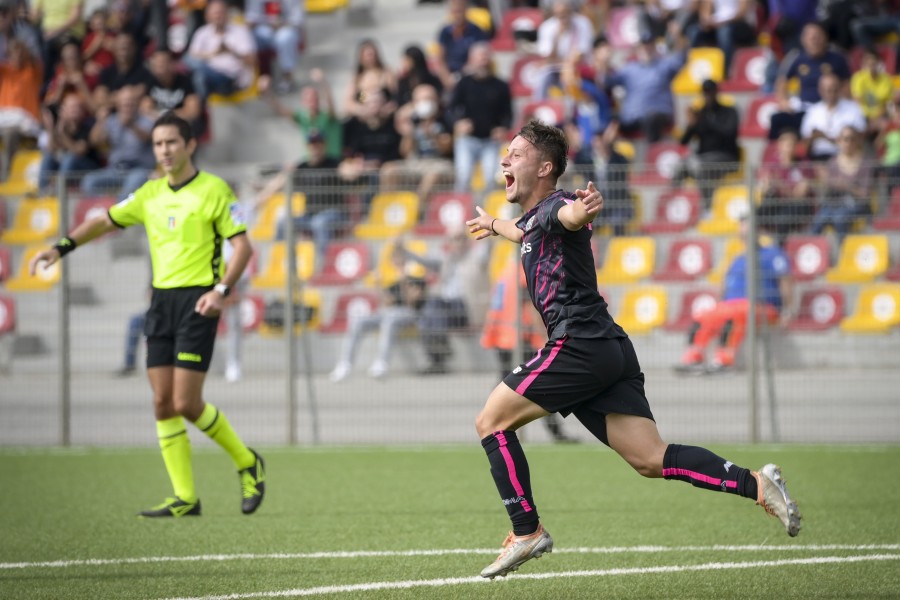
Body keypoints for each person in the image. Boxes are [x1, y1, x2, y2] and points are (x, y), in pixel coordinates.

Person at [464, 119, 801, 579]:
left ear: (545, 168)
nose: (506, 159)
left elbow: (568, 216)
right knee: (649, 458)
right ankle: (757, 484)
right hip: (608, 347)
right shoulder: (531, 222)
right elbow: (522, 231)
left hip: (579, 342)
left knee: (491, 421)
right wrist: (491, 222)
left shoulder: (557, 206)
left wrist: (585, 212)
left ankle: (526, 531)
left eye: (516, 154)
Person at [29, 112, 266, 518]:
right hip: (160, 304)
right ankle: (185, 497)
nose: (165, 150)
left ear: (190, 144)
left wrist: (221, 292)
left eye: (172, 142)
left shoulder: (215, 190)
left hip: (198, 303)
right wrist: (60, 247)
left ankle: (247, 461)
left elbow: (243, 248)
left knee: (186, 403)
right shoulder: (149, 194)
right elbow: (103, 220)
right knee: (161, 402)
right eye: (158, 144)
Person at [674, 215, 793, 374]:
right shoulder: (737, 259)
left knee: (738, 313)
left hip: (762, 307)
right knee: (703, 315)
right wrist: (719, 307)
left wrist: (787, 312)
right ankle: (694, 358)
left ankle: (724, 361)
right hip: (732, 306)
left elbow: (786, 282)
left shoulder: (773, 254)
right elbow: (724, 287)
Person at [482, 260, 574, 443]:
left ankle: (490, 424)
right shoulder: (527, 270)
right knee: (541, 382)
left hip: (502, 332)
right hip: (519, 334)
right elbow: (531, 305)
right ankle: (555, 432)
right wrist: (546, 337)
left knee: (506, 382)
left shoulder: (508, 268)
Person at [329, 238, 428, 382]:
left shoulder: (416, 278)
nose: (398, 263)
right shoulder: (390, 280)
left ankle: (381, 363)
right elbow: (388, 303)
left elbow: (411, 303)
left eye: (401, 260)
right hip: (390, 312)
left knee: (390, 320)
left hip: (408, 314)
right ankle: (345, 364)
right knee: (358, 321)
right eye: (396, 260)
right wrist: (379, 285)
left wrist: (403, 281)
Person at [447, 42, 512, 194]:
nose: (483, 61)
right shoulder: (464, 83)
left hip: (490, 141)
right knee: (463, 177)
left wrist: (503, 128)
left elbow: (508, 113)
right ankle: (463, 212)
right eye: (480, 57)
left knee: (490, 178)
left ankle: (487, 214)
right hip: (467, 139)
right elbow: (450, 109)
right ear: (472, 60)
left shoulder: (501, 85)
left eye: (486, 57)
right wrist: (457, 123)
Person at [672, 78, 741, 209]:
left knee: (699, 166)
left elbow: (730, 133)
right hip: (703, 157)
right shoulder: (700, 114)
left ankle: (707, 208)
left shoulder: (729, 111)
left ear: (716, 92)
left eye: (710, 92)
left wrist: (707, 121)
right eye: (705, 93)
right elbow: (684, 141)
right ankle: (675, 205)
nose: (707, 96)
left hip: (726, 157)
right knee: (679, 166)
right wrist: (691, 125)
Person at [810, 125, 875, 245]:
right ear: (839, 141)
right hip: (834, 203)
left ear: (857, 141)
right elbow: (827, 186)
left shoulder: (865, 163)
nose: (848, 142)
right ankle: (814, 252)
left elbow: (865, 193)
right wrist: (826, 181)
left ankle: (844, 253)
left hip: (856, 204)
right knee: (819, 218)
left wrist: (848, 186)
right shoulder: (833, 163)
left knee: (839, 218)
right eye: (845, 139)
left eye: (851, 139)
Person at [183, 0, 257, 103]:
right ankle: (199, 106)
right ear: (207, 16)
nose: (218, 16)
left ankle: (200, 108)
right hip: (207, 76)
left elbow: (252, 61)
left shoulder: (240, 32)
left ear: (227, 14)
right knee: (193, 69)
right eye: (215, 13)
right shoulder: (202, 33)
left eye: (220, 12)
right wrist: (214, 53)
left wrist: (231, 51)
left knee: (198, 73)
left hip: (230, 80)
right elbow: (190, 58)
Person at [755, 129, 816, 243]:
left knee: (782, 219)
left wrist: (779, 185)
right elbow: (764, 187)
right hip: (778, 203)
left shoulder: (804, 164)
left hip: (799, 206)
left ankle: (779, 251)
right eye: (787, 145)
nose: (790, 148)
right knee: (758, 212)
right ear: (779, 146)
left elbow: (800, 194)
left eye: (793, 144)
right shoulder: (772, 163)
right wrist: (768, 185)